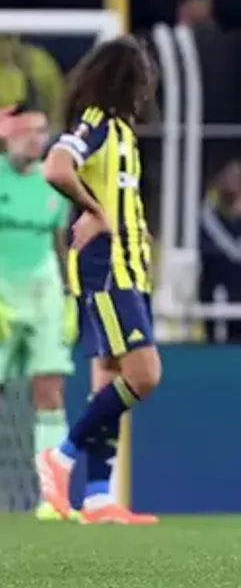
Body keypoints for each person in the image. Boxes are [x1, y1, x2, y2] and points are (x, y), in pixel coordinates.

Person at [34, 37, 161, 525]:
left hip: (130, 266)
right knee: (144, 374)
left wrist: (133, 225)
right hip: (108, 269)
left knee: (110, 379)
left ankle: (97, 497)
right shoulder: (98, 122)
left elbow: (115, 196)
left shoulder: (123, 133)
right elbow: (56, 166)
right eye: (142, 78)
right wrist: (94, 211)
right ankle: (61, 456)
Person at [0, 106, 73, 521]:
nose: (35, 139)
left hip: (43, 293)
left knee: (49, 391)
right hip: (2, 292)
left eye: (41, 131)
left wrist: (71, 298)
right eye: (25, 131)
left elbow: (62, 245)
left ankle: (53, 497)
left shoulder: (54, 182)